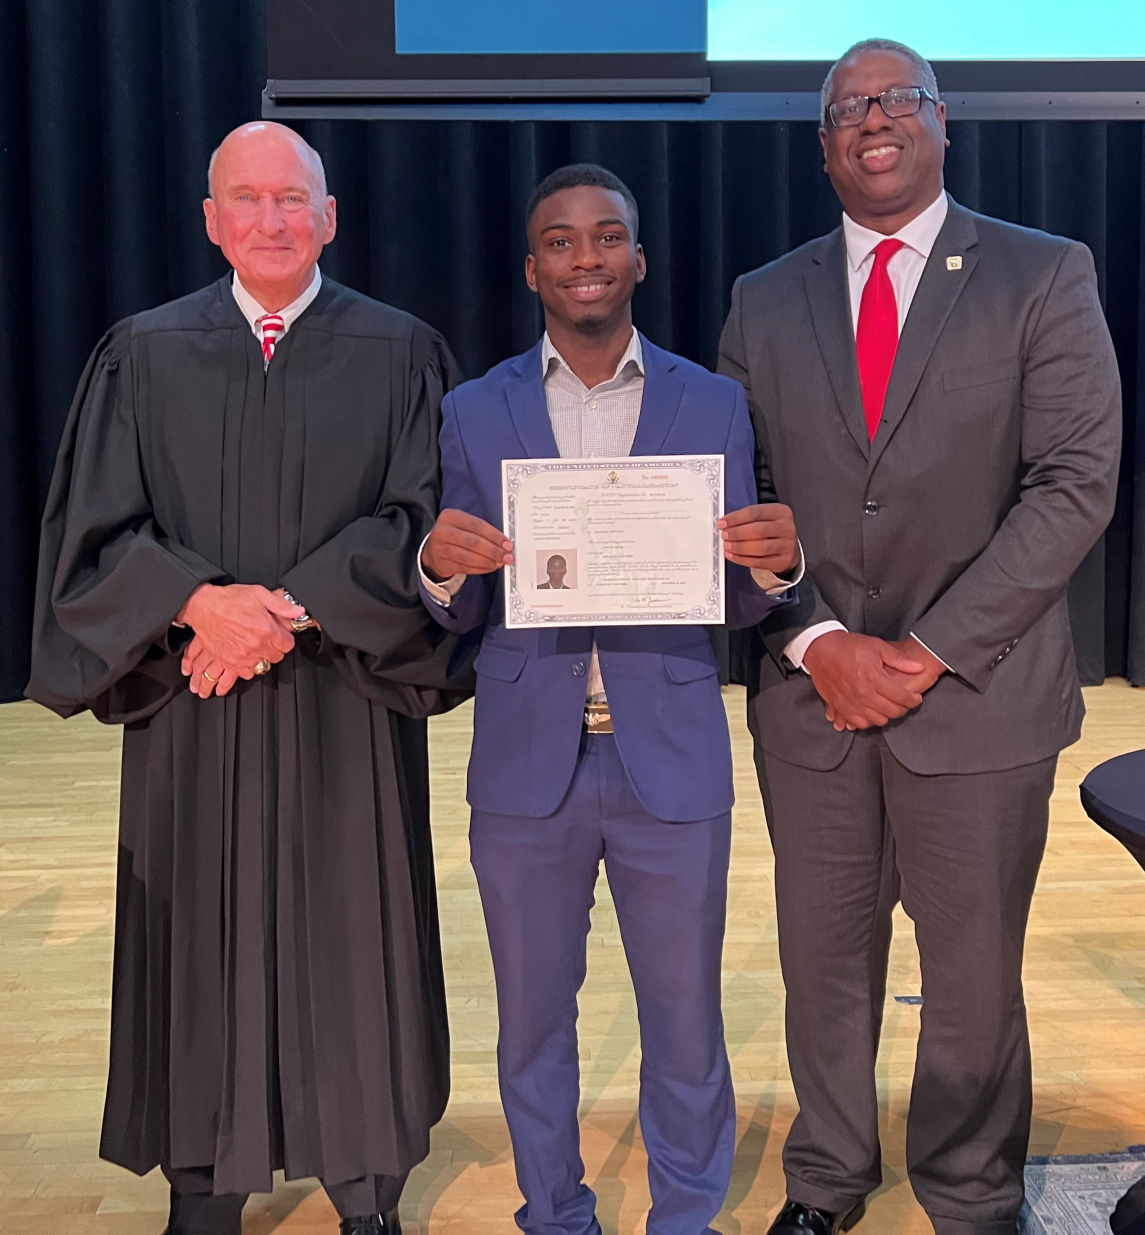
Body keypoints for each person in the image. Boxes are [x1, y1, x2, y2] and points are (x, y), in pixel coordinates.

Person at [26, 121, 474, 1235]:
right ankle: (204, 1179)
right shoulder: (143, 351)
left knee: (353, 924)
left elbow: (428, 517)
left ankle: (366, 1182)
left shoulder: (401, 349)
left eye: (293, 199)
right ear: (211, 219)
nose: (271, 220)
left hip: (344, 697)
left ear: (328, 216)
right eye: (247, 199)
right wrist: (197, 602)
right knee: (196, 922)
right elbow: (93, 532)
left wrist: (286, 607)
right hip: (197, 698)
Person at [719, 39, 1122, 1235]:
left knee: (971, 974)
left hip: (979, 696)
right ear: (824, 142)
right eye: (847, 109)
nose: (872, 121)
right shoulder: (761, 296)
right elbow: (738, 498)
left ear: (941, 122)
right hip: (812, 699)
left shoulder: (1042, 274)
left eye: (895, 100)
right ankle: (826, 1175)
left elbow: (1071, 483)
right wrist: (814, 639)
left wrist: (927, 649)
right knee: (821, 965)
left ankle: (969, 1187)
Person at [419, 164, 801, 1235]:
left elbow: (725, 590)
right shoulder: (472, 406)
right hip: (525, 767)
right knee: (532, 1021)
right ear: (531, 266)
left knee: (682, 1018)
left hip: (668, 759)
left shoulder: (712, 401)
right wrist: (439, 568)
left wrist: (776, 566)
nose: (583, 257)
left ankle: (681, 1216)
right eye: (559, 240)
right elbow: (455, 607)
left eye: (604, 237)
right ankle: (553, 1213)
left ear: (636, 257)